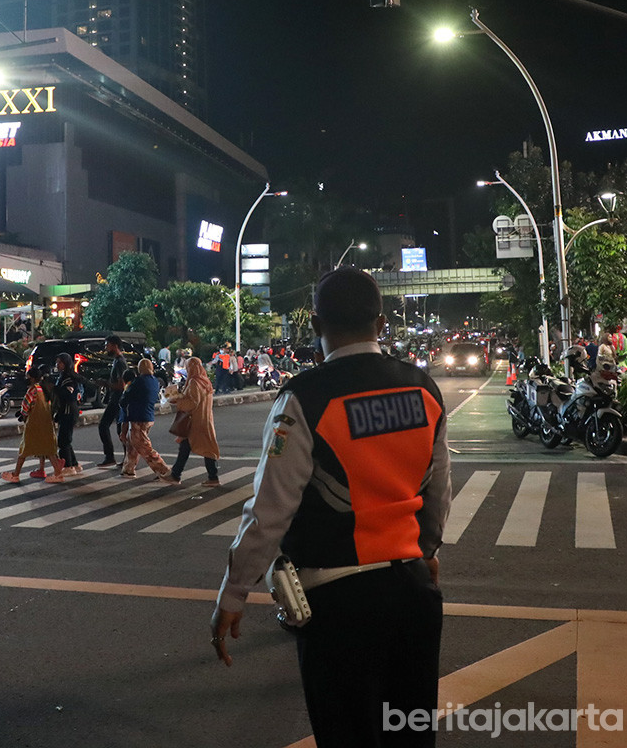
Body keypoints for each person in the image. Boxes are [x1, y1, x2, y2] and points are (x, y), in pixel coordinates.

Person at [209, 267, 450, 748]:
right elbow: (437, 491)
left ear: (317, 326)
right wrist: (425, 549)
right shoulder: (423, 389)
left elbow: (268, 511)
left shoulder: (304, 398)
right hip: (415, 597)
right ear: (381, 324)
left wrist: (232, 594)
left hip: (340, 607)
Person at [162, 355, 220, 486]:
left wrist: (178, 400)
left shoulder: (195, 382)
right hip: (203, 419)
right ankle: (177, 474)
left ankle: (212, 477)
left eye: (188, 367)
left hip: (195, 421)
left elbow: (193, 402)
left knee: (204, 448)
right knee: (192, 447)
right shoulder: (204, 381)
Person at [2, 367, 64, 484]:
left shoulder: (32, 390)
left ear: (32, 378)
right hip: (46, 424)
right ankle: (53, 472)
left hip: (34, 425)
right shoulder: (44, 389)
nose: (26, 378)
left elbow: (25, 408)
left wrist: (23, 415)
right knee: (48, 449)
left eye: (27, 376)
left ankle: (15, 475)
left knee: (24, 450)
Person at [120, 358, 171, 479]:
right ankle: (128, 468)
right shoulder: (154, 381)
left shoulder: (138, 382)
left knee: (143, 446)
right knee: (132, 443)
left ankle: (163, 470)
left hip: (138, 416)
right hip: (148, 416)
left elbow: (125, 398)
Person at [96, 335, 129, 468]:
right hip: (118, 399)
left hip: (118, 399)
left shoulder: (120, 362)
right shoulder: (118, 361)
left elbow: (121, 385)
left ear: (114, 345)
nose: (105, 348)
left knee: (104, 425)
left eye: (107, 345)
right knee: (120, 429)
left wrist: (106, 384)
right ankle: (127, 458)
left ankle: (110, 457)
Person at [53, 352, 83, 475]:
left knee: (63, 440)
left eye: (60, 362)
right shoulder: (63, 376)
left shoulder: (68, 378)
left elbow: (67, 394)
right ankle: (74, 464)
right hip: (66, 409)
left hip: (68, 410)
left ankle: (68, 466)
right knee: (66, 439)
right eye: (57, 362)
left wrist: (54, 389)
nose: (57, 364)